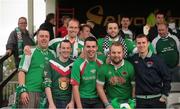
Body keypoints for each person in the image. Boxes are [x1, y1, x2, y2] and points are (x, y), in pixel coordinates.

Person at [15, 28, 55, 108]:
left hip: (47, 94)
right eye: (41, 36)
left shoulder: (53, 54)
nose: (44, 38)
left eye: (46, 36)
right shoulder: (30, 51)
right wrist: (23, 91)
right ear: (37, 38)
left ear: (49, 38)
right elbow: (21, 72)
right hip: (30, 92)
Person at [130, 34, 171, 108]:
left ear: (148, 43)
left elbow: (167, 77)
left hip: (157, 99)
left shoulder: (158, 59)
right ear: (136, 44)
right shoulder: (133, 59)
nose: (141, 45)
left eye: (143, 42)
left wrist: (164, 95)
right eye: (139, 43)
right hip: (140, 100)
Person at [96, 42, 135, 109]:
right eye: (113, 52)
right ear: (109, 53)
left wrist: (133, 101)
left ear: (123, 53)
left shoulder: (130, 66)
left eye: (119, 52)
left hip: (127, 102)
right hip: (111, 102)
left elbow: (134, 86)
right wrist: (107, 104)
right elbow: (99, 87)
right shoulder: (103, 68)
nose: (116, 55)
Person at [70, 37, 105, 108]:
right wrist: (79, 107)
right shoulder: (77, 63)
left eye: (93, 47)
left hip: (98, 98)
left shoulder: (102, 60)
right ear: (84, 48)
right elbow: (75, 87)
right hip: (83, 98)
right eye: (88, 47)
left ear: (97, 48)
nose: (91, 49)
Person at [44, 39, 74, 108]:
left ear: (71, 50)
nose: (65, 50)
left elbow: (75, 86)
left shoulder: (74, 64)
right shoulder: (50, 63)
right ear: (59, 49)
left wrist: (72, 102)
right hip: (54, 100)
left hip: (69, 101)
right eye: (63, 48)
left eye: (68, 48)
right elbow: (47, 85)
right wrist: (51, 103)